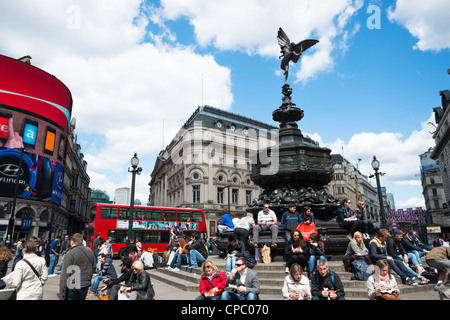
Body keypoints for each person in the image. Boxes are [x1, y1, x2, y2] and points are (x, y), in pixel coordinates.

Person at [59, 233, 96, 300]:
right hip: (85, 284)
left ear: (72, 242)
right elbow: (94, 267)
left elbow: (64, 274)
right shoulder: (89, 251)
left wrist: (62, 292)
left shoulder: (70, 253)